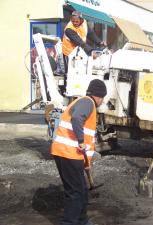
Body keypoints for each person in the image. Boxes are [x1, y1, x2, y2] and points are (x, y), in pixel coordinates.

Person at [51, 79, 107, 225]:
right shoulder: (88, 102)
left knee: (81, 190)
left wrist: (86, 162)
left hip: (68, 154)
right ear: (99, 96)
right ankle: (69, 222)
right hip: (69, 153)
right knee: (75, 193)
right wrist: (81, 140)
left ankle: (82, 221)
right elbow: (77, 118)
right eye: (103, 98)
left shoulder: (81, 101)